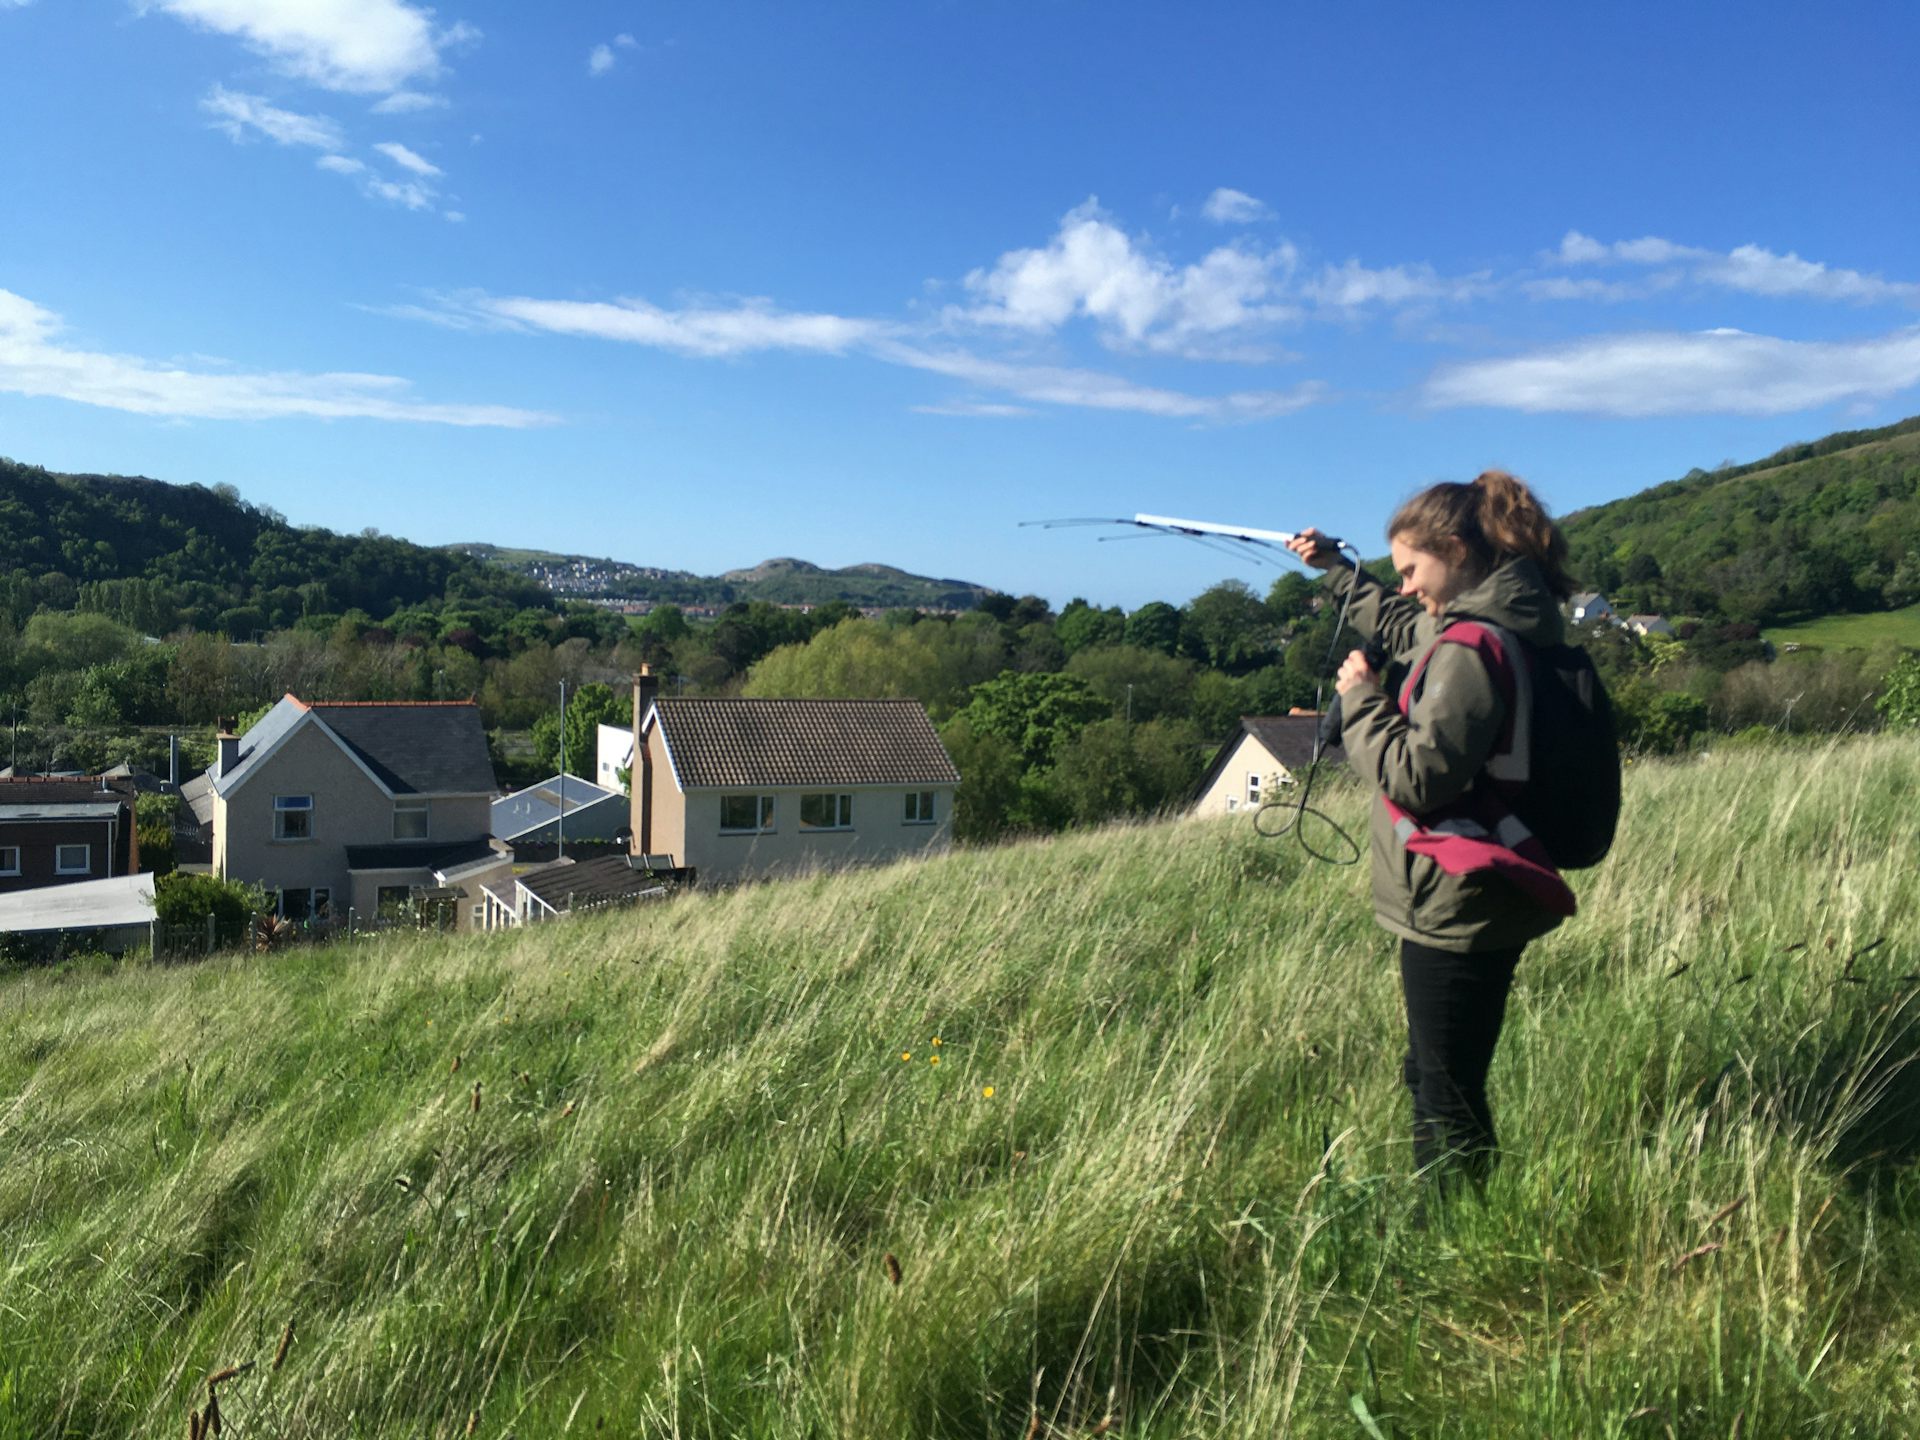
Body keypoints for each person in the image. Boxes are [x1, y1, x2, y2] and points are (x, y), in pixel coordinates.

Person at [1287, 470, 1580, 1194]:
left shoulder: (1470, 648)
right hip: (1481, 886)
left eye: (1413, 569)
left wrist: (1360, 701)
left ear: (1454, 548)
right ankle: (1458, 1220)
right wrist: (1335, 572)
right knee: (1435, 1070)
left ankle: (1453, 1237)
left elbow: (1418, 778)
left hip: (1458, 900)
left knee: (1444, 1093)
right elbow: (1397, 624)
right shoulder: (1496, 621)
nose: (1409, 586)